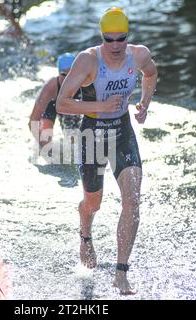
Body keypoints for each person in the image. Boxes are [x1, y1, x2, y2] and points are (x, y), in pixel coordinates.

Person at [56, 7, 158, 295]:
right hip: (92, 134)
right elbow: (63, 102)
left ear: (128, 37)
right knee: (94, 203)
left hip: (122, 131)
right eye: (109, 39)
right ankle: (85, 232)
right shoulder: (88, 60)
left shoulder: (137, 55)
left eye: (120, 39)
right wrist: (100, 106)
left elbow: (151, 73)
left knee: (133, 199)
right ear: (101, 37)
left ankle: (121, 272)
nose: (115, 46)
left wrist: (144, 103)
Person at [28, 53, 82, 150]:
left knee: (75, 143)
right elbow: (33, 120)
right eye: (63, 74)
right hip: (53, 105)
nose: (67, 79)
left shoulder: (84, 83)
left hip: (74, 107)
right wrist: (45, 148)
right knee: (45, 140)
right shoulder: (51, 86)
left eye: (71, 74)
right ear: (58, 73)